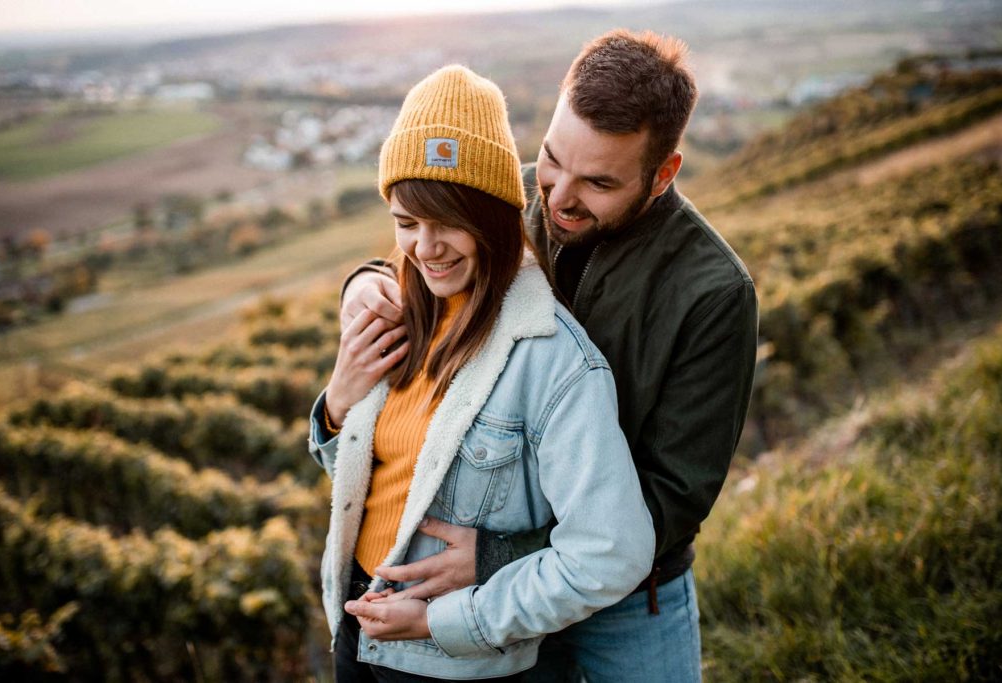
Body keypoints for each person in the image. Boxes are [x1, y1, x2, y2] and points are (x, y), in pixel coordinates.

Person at [339, 30, 759, 682]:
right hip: (487, 588)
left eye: (597, 181)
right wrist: (364, 282)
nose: (558, 195)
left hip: (627, 597)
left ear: (663, 174)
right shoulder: (518, 196)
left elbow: (673, 495)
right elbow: (430, 252)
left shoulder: (713, 291)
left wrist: (504, 554)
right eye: (552, 157)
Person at [308, 64, 654, 681]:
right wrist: (336, 406)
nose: (426, 247)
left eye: (449, 222)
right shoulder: (398, 314)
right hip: (358, 633)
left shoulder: (552, 361)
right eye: (406, 222)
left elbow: (612, 554)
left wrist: (452, 621)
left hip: (457, 662)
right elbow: (375, 478)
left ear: (495, 217)